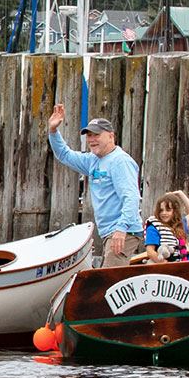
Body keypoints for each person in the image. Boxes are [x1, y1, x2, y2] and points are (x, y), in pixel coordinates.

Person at [46, 103, 142, 264]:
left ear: (111, 136)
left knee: (108, 283)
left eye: (96, 135)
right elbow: (64, 154)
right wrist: (53, 131)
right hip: (109, 233)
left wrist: (121, 229)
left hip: (123, 232)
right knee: (109, 281)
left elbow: (131, 197)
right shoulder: (93, 160)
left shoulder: (120, 161)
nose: (91, 140)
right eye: (89, 135)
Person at [128, 190, 189, 264]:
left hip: (178, 263)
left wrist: (180, 194)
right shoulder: (154, 227)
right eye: (161, 210)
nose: (164, 213)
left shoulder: (179, 225)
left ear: (175, 211)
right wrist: (164, 263)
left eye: (168, 210)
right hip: (163, 264)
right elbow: (150, 252)